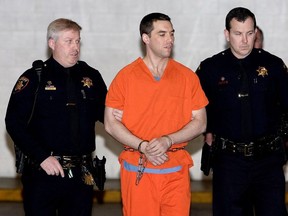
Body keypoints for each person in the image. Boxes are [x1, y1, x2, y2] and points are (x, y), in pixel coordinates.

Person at [104, 12, 208, 216]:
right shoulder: (125, 77)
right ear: (146, 38)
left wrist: (168, 140)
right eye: (162, 34)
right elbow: (110, 123)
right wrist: (142, 146)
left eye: (171, 34)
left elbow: (200, 122)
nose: (169, 39)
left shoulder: (187, 77)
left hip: (175, 172)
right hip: (138, 170)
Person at [5, 18, 108, 216]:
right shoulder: (35, 77)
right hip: (43, 173)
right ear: (52, 43)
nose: (75, 47)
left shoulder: (91, 76)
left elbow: (108, 116)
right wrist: (41, 156)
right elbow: (14, 122)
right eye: (68, 41)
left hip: (81, 175)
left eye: (78, 41)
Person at [196, 7, 288, 216]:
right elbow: (196, 110)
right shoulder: (211, 68)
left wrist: (282, 141)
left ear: (255, 32)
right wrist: (207, 132)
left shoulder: (273, 66)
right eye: (238, 33)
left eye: (249, 33)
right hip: (229, 162)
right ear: (227, 34)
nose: (244, 40)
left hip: (268, 162)